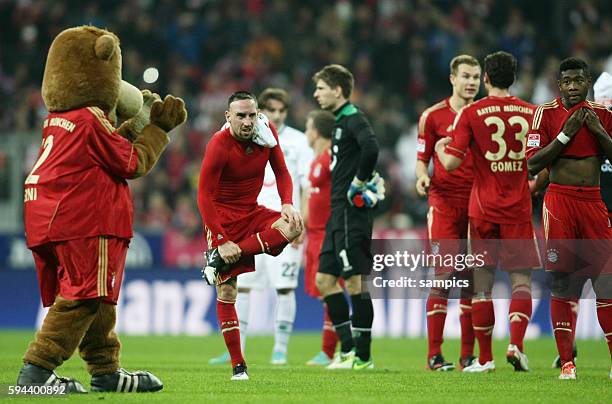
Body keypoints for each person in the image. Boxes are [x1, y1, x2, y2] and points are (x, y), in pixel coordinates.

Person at [435, 51, 540, 373]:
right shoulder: (531, 112)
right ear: (515, 77)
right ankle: (516, 345)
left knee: (482, 286)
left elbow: (451, 163)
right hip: (519, 209)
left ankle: (485, 359)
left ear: (485, 79)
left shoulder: (473, 112)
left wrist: (439, 149)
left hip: (482, 210)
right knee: (521, 282)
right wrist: (532, 186)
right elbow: (544, 162)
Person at [197, 91, 303, 381]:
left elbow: (282, 172)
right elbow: (204, 196)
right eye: (240, 115)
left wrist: (287, 202)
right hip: (222, 218)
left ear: (258, 115)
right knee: (228, 292)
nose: (247, 121)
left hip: (252, 210)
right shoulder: (219, 145)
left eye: (251, 115)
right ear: (228, 116)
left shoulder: (266, 136)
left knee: (294, 224)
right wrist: (220, 239)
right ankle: (238, 365)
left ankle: (219, 259)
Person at [526, 58, 612, 380]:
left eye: (578, 80)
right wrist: (565, 136)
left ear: (587, 81)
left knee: (606, 282)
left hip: (593, 202)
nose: (573, 86)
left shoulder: (603, 115)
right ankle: (567, 364)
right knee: (563, 282)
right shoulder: (545, 114)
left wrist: (598, 132)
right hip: (559, 203)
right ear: (559, 84)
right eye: (567, 82)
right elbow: (533, 164)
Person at [313, 64, 382, 370]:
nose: (316, 93)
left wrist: (359, 182)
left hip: (351, 214)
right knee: (325, 280)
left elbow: (371, 148)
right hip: (336, 213)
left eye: (321, 88)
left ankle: (362, 357)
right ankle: (348, 351)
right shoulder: (340, 122)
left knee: (355, 283)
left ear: (337, 90)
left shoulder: (354, 118)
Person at [415, 54, 481, 371]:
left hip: (478, 203)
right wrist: (421, 176)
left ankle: (468, 356)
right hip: (443, 203)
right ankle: (434, 354)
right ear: (452, 78)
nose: (471, 82)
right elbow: (422, 156)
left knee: (470, 280)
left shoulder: (483, 114)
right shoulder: (432, 116)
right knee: (443, 277)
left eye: (476, 77)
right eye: (466, 76)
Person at [302, 109, 338, 366]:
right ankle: (330, 350)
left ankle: (331, 350)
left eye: (308, 127)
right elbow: (310, 199)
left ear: (316, 131)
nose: (306, 132)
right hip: (313, 234)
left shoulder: (330, 161)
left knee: (330, 290)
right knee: (323, 292)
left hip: (327, 234)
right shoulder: (316, 161)